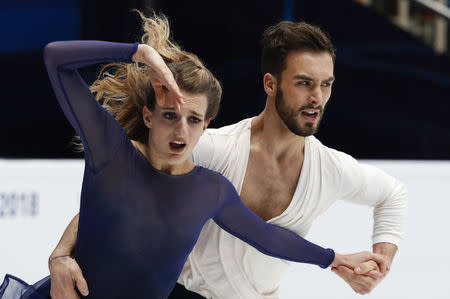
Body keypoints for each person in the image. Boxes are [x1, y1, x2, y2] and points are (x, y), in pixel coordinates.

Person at [0, 13, 387, 299]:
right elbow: (55, 58)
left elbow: (268, 237)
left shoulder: (210, 190)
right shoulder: (112, 153)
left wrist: (333, 259)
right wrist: (138, 53)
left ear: (206, 125)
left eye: (193, 119)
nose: (181, 130)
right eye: (169, 115)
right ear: (149, 116)